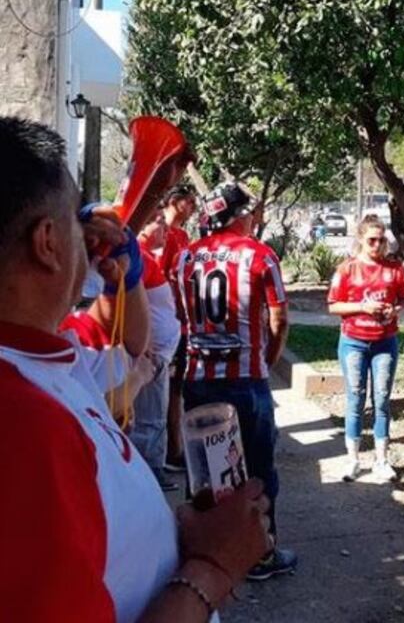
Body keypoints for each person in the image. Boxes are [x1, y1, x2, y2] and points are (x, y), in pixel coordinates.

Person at [0, 116, 271, 621]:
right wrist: (214, 566)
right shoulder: (22, 423)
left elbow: (126, 346)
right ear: (47, 243)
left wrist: (121, 281)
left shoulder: (38, 355)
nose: (89, 234)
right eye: (73, 223)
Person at [174, 181, 297, 581]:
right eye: (251, 212)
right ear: (239, 215)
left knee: (205, 471)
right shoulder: (260, 256)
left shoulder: (185, 258)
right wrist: (266, 359)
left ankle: (201, 553)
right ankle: (261, 554)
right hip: (246, 379)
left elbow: (182, 318)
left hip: (199, 379)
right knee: (258, 469)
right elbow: (278, 320)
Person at [327, 214, 404, 482]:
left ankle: (382, 460)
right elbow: (333, 305)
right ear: (361, 240)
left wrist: (393, 310)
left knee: (382, 399)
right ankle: (352, 460)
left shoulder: (395, 269)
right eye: (371, 240)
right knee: (355, 399)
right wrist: (363, 307)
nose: (377, 245)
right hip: (353, 341)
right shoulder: (346, 269)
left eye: (381, 239)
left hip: (385, 342)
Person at [131, 208, 182, 491]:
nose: (165, 227)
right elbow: (130, 303)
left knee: (155, 414)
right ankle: (149, 473)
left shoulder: (144, 256)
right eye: (159, 222)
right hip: (151, 355)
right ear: (143, 227)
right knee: (149, 418)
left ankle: (154, 468)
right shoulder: (136, 255)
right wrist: (146, 345)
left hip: (158, 353)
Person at [160, 184, 198, 472]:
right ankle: (169, 448)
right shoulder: (160, 233)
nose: (193, 207)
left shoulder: (183, 235)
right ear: (175, 202)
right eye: (189, 201)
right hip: (164, 319)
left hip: (182, 321)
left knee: (177, 389)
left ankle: (175, 445)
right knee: (166, 388)